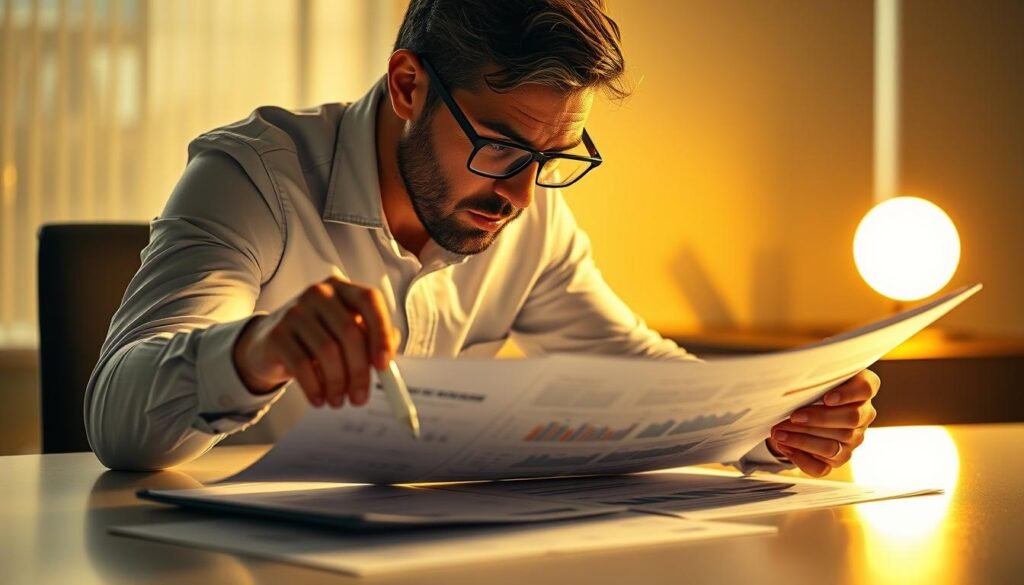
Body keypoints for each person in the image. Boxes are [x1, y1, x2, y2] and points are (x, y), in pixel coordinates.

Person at [85, 0, 878, 476]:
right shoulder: (253, 177)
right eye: (500, 147)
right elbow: (117, 420)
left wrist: (776, 422)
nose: (521, 194)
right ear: (407, 85)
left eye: (553, 158)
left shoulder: (529, 221)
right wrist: (260, 350)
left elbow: (645, 381)